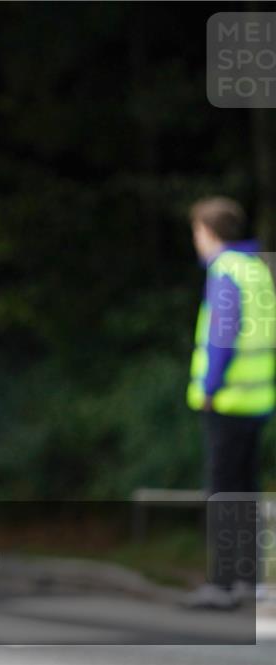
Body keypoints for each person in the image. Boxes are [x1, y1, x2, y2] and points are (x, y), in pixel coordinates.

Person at [184, 196, 275, 609]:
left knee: (223, 491)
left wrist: (209, 386)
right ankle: (249, 579)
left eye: (197, 232)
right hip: (259, 399)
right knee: (246, 490)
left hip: (229, 399)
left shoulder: (225, 269)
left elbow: (224, 333)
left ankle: (222, 585)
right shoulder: (257, 268)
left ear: (209, 231)